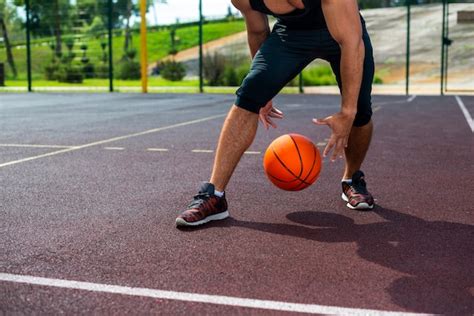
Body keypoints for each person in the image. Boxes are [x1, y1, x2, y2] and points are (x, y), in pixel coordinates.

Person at [176, 0, 375, 227]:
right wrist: (264, 92)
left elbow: (351, 42)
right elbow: (258, 30)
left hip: (343, 32)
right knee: (251, 92)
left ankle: (352, 179)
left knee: (360, 110)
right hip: (291, 35)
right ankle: (215, 196)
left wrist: (347, 112)